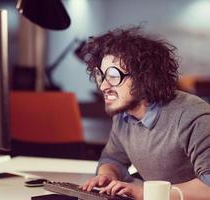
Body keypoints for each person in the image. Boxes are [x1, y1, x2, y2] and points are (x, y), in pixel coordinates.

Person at [79, 26, 210, 200]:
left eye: (113, 75)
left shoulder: (192, 115)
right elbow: (113, 160)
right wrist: (107, 176)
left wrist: (148, 194)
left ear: (144, 77)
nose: (103, 86)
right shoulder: (123, 116)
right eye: (101, 76)